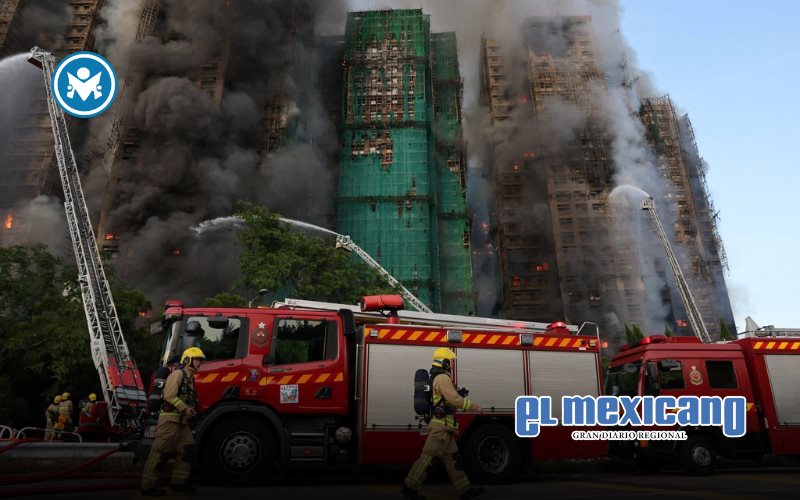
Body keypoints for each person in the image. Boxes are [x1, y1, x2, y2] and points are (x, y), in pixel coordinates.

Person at [402, 348, 485, 500]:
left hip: (447, 428)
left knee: (454, 461)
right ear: (444, 361)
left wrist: (457, 394)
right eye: (450, 361)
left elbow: (446, 399)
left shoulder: (438, 378)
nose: (451, 365)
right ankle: (409, 486)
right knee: (428, 458)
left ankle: (464, 491)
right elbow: (454, 400)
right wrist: (475, 407)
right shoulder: (442, 378)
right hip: (441, 428)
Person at [140, 347, 204, 496]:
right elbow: (169, 395)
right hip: (170, 419)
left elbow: (190, 399)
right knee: (160, 451)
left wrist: (192, 411)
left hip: (182, 422)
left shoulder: (190, 380)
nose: (200, 362)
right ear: (187, 360)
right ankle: (147, 486)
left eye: (200, 360)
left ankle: (178, 482)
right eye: (197, 359)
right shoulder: (177, 374)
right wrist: (184, 408)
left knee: (188, 450)